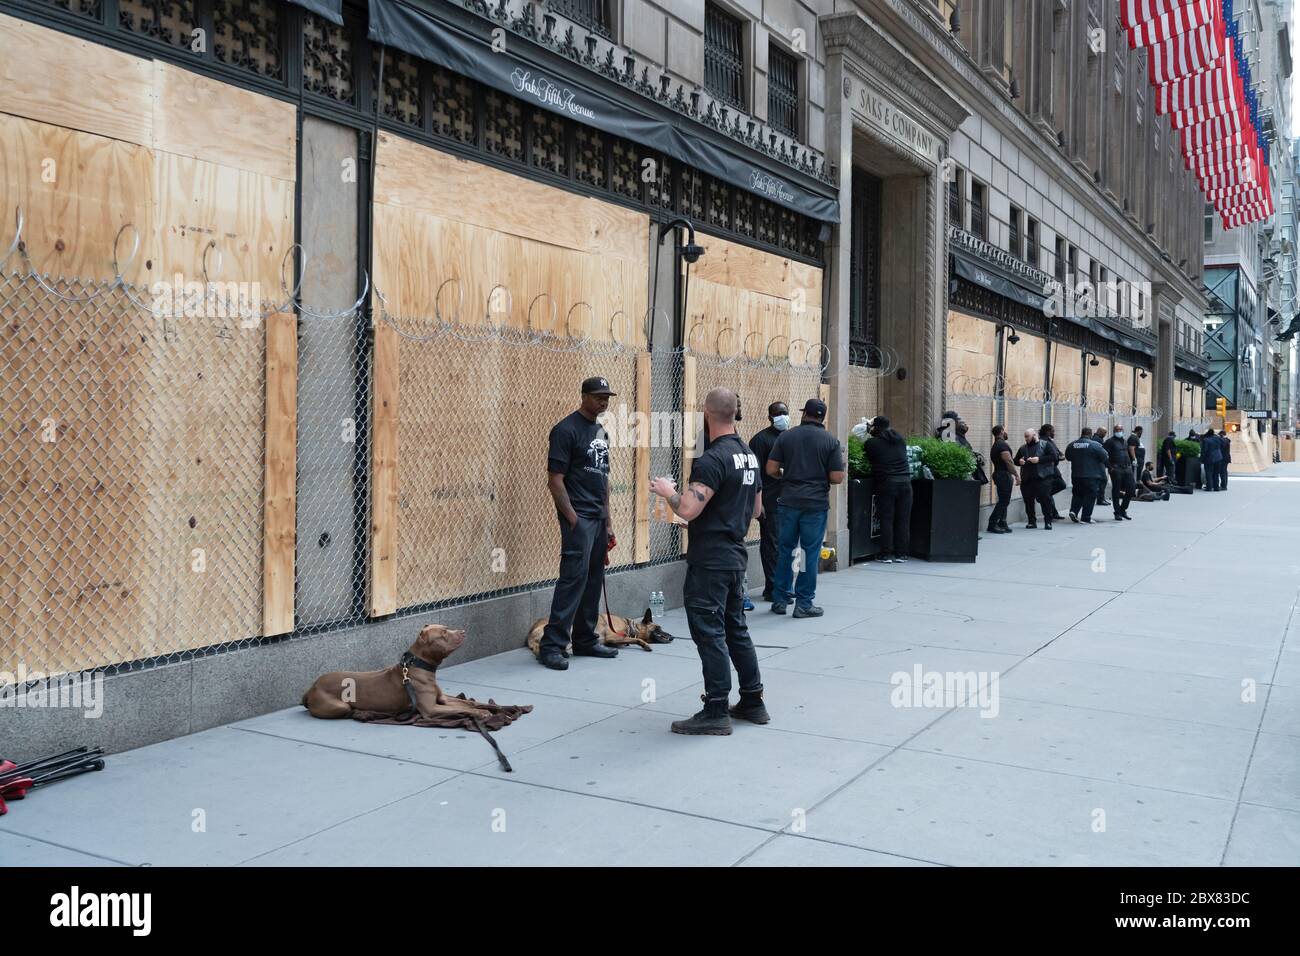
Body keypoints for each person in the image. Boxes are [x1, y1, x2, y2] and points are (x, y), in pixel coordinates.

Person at [650, 388, 765, 735]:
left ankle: (716, 709)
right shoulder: (748, 455)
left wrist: (666, 491)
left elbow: (687, 508)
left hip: (711, 561)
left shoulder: (713, 460)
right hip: (735, 557)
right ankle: (753, 700)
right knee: (735, 629)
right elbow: (758, 510)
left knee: (710, 632)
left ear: (706, 413)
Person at [537, 376, 620, 670]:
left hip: (597, 519)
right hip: (579, 518)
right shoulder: (565, 430)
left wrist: (608, 521)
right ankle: (552, 646)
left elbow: (604, 480)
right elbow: (555, 481)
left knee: (593, 579)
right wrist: (572, 518)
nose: (603, 401)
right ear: (583, 396)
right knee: (573, 579)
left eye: (607, 396)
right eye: (598, 396)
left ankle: (585, 640)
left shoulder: (600, 432)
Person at [767, 398, 846, 617]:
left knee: (785, 550)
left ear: (804, 414)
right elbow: (837, 477)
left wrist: (786, 476)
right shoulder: (830, 441)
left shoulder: (786, 437)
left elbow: (771, 468)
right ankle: (804, 603)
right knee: (808, 553)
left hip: (788, 501)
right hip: (815, 504)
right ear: (822, 416)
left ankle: (780, 599)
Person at [747, 402, 789, 603]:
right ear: (770, 416)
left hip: (788, 500)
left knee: (783, 545)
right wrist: (759, 502)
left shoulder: (789, 438)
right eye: (778, 413)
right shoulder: (761, 440)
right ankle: (773, 587)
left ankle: (781, 586)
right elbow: (754, 474)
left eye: (785, 413)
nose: (783, 416)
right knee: (772, 544)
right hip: (769, 500)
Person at [863, 416, 913, 560]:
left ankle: (886, 554)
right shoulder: (900, 440)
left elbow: (868, 455)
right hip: (905, 483)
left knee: (887, 518)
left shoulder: (872, 443)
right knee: (903, 519)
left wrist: (867, 432)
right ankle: (902, 553)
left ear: (876, 427)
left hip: (887, 484)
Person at [1014, 428, 1056, 529]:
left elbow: (1054, 457)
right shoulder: (1023, 448)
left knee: (1045, 500)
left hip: (1043, 478)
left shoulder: (1046, 445)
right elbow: (1015, 460)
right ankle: (1032, 522)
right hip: (1027, 479)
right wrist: (1019, 461)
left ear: (1034, 435)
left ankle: (1048, 522)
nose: (1026, 439)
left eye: (1027, 436)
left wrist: (1039, 459)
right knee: (1028, 501)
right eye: (1025, 437)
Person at [1065, 426, 1109, 523]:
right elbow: (1104, 457)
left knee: (1077, 494)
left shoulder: (1072, 445)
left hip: (1076, 475)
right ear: (1090, 434)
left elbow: (1068, 457)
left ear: (1082, 433)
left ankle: (1073, 511)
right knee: (1090, 496)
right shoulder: (1095, 445)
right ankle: (1086, 517)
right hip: (1091, 476)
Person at [987, 425, 1019, 534]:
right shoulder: (1002, 445)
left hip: (1000, 474)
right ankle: (992, 523)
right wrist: (1016, 475)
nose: (1006, 433)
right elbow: (1008, 461)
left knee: (1003, 500)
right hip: (1003, 475)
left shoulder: (996, 445)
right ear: (1001, 432)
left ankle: (1002, 522)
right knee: (1004, 501)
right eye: (1005, 430)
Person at [1103, 425, 1135, 519]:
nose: (1118, 431)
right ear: (1113, 431)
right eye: (1116, 430)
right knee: (1116, 490)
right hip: (1116, 469)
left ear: (1123, 430)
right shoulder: (1109, 442)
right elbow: (1103, 455)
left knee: (1131, 489)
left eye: (1120, 429)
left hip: (1127, 468)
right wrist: (1110, 467)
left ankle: (1123, 509)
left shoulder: (1124, 441)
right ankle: (1117, 512)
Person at [1039, 423, 1066, 521]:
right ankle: (1051, 513)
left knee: (1059, 486)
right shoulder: (1041, 442)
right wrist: (1055, 457)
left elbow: (1061, 455)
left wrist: (1057, 457)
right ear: (1047, 432)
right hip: (1046, 471)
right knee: (1048, 491)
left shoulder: (1051, 441)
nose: (1054, 433)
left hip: (1054, 469)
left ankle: (1053, 513)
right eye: (1053, 431)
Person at [1200, 427, 1222, 491]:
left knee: (1209, 473)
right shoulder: (1218, 439)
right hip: (1218, 458)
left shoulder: (1206, 440)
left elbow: (1204, 451)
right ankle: (1216, 487)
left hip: (1209, 459)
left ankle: (1209, 487)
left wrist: (1201, 459)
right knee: (1216, 473)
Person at [1094, 427, 1111, 507]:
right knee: (1103, 480)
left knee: (1101, 481)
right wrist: (1109, 465)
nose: (1105, 435)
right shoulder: (1098, 440)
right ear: (1100, 432)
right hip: (1099, 463)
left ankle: (1101, 498)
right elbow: (1103, 454)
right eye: (1104, 432)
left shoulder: (1096, 439)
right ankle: (1100, 499)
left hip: (1097, 464)